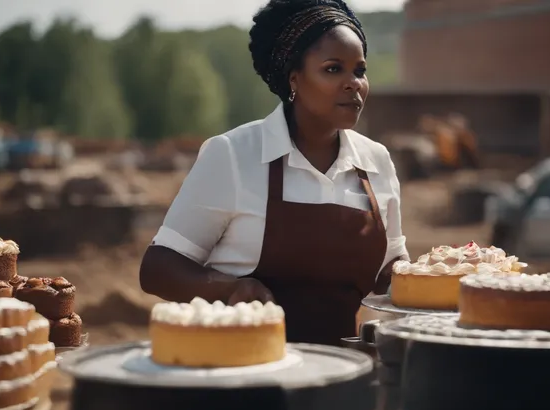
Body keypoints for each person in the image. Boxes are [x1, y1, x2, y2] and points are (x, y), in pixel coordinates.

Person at [140, 0, 409, 346]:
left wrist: (448, 274)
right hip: (243, 375)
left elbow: (390, 270)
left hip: (343, 377)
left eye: (359, 70)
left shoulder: (376, 161)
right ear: (293, 78)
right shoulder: (234, 155)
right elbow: (158, 269)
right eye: (332, 69)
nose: (352, 83)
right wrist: (231, 289)